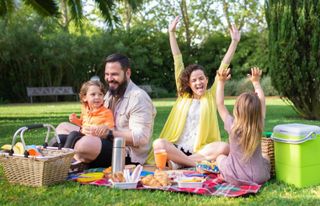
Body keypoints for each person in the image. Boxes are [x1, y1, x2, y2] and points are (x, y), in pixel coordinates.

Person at [150, 16, 240, 168]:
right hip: (177, 147)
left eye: (201, 78)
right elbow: (177, 60)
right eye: (194, 80)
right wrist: (171, 33)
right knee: (158, 143)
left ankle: (179, 163)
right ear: (189, 84)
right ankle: (189, 163)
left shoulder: (211, 95)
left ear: (206, 79)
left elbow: (224, 64)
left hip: (200, 150)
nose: (198, 82)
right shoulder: (183, 94)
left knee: (224, 147)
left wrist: (234, 42)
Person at [56, 53, 156, 168]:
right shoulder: (110, 93)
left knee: (84, 145)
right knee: (62, 127)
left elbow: (141, 138)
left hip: (125, 152)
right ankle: (71, 155)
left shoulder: (138, 98)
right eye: (107, 74)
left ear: (127, 73)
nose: (109, 79)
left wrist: (108, 133)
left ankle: (70, 157)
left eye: (114, 74)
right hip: (101, 140)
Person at [215, 67, 270, 185]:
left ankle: (225, 176)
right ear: (257, 111)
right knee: (266, 156)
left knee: (219, 157)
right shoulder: (259, 123)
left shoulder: (232, 125)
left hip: (235, 176)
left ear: (237, 109)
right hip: (259, 177)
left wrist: (221, 82)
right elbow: (262, 101)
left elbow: (220, 104)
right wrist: (256, 82)